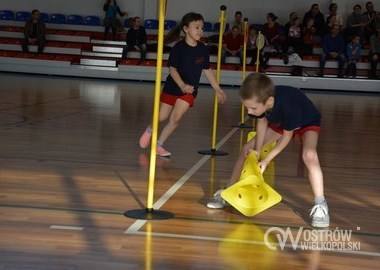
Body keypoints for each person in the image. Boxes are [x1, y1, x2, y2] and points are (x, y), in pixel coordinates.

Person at [207, 73, 329, 228]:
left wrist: (266, 160)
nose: (249, 112)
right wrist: (257, 150)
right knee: (247, 149)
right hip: (281, 123)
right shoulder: (263, 102)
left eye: (252, 108)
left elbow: (287, 136)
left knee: (309, 155)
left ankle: (321, 204)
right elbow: (262, 123)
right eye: (246, 107)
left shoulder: (287, 104)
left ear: (269, 101)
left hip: (307, 121)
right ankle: (228, 192)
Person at [139, 12, 227, 157]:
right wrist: (182, 85)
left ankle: (159, 145)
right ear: (186, 29)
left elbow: (207, 70)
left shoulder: (203, 49)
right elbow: (172, 70)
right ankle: (150, 129)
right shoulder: (178, 48)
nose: (200, 31)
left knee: (177, 118)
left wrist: (218, 89)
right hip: (173, 87)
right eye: (197, 27)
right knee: (161, 117)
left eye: (202, 28)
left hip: (189, 91)